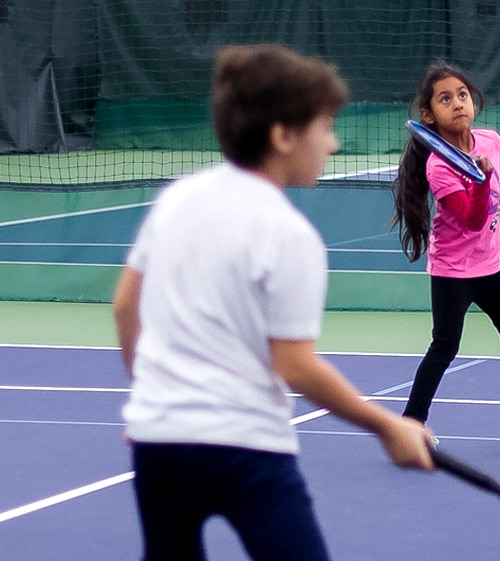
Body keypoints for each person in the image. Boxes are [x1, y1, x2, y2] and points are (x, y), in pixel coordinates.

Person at [112, 44, 435, 561]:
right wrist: (386, 424)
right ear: (282, 135)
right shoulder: (291, 237)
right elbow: (295, 366)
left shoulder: (176, 199)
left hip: (160, 443)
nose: (332, 143)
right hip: (246, 450)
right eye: (324, 126)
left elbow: (126, 306)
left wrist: (150, 395)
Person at [391, 60, 500, 451]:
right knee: (445, 347)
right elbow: (470, 220)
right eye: (445, 99)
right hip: (453, 272)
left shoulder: (492, 142)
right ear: (428, 115)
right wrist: (481, 179)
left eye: (463, 95)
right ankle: (410, 426)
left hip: (490, 266)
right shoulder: (439, 168)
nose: (457, 104)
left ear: (476, 102)